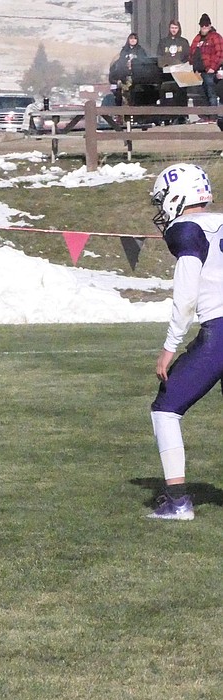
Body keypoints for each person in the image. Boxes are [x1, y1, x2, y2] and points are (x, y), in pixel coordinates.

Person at [146, 163, 222, 520]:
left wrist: (170, 345)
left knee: (166, 407)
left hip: (219, 332)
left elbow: (187, 297)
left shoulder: (186, 230)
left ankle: (177, 501)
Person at [158, 20, 191, 121]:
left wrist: (181, 65)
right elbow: (159, 56)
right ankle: (167, 116)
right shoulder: (163, 42)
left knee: (181, 94)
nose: (174, 30)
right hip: (167, 74)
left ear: (179, 29)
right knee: (167, 94)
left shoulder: (183, 42)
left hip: (181, 72)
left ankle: (183, 116)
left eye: (176, 28)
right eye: (172, 28)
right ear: (169, 28)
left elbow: (187, 56)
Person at [190, 14, 223, 108]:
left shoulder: (216, 37)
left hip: (210, 72)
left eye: (206, 25)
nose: (204, 27)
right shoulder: (197, 38)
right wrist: (193, 66)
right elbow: (192, 53)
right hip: (198, 73)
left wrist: (213, 68)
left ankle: (213, 116)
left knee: (211, 94)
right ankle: (205, 117)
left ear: (210, 25)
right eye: (202, 25)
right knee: (202, 95)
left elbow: (220, 54)